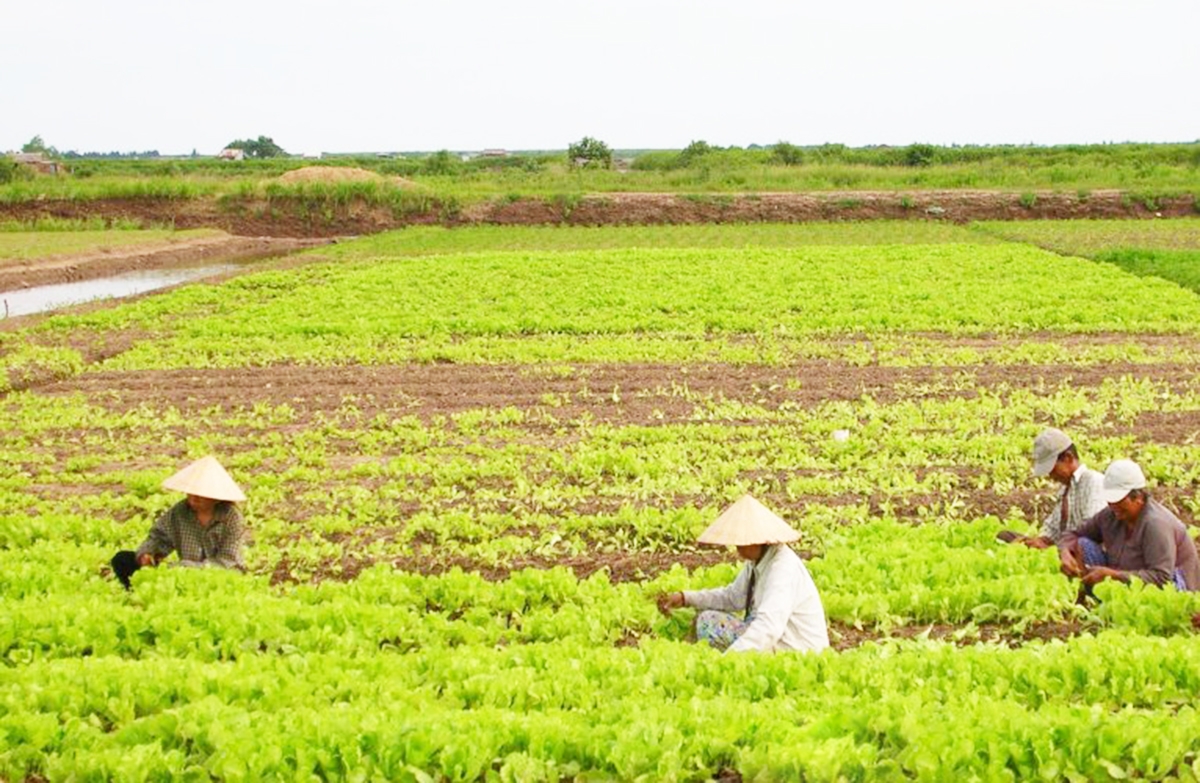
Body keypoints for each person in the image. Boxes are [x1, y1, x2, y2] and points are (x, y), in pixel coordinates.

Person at [656, 494, 829, 653]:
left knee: (709, 624)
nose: (738, 550)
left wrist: (731, 659)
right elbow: (733, 597)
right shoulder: (757, 562)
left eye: (742, 543)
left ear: (760, 540)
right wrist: (686, 598)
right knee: (706, 619)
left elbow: (769, 627)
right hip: (775, 640)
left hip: (795, 650)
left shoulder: (782, 569)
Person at [1058, 459, 1200, 597]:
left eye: (1119, 500)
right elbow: (1074, 534)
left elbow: (1161, 577)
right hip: (1127, 578)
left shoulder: (1155, 524)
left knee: (1168, 585)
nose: (1113, 505)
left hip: (1172, 587)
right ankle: (1094, 597)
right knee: (1083, 543)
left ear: (1138, 497)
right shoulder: (1111, 514)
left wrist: (1114, 575)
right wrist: (1065, 551)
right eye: (1110, 500)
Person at [111, 455, 248, 589]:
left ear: (216, 496)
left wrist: (184, 568)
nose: (194, 499)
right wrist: (147, 554)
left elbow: (227, 561)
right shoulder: (180, 511)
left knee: (223, 577)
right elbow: (159, 537)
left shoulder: (231, 517)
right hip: (182, 573)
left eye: (200, 495)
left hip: (219, 575)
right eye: (191, 493)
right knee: (123, 559)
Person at [996, 428, 1105, 548]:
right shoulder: (1065, 489)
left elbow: (1093, 534)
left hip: (1083, 552)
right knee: (1005, 536)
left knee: (1084, 545)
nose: (1050, 476)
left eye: (1052, 469)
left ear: (1067, 458)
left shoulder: (1094, 482)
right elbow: (1052, 527)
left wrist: (1053, 549)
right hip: (1064, 547)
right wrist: (1040, 540)